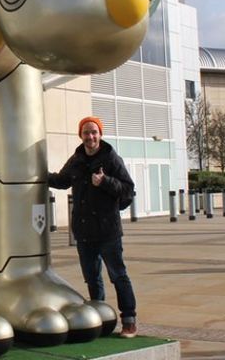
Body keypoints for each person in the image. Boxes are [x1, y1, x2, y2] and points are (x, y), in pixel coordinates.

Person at [48, 116, 138, 338]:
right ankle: (100, 318)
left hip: (108, 231)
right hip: (84, 230)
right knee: (92, 277)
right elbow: (61, 180)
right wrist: (36, 173)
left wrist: (105, 181)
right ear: (81, 135)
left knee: (118, 275)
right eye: (87, 132)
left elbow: (128, 189)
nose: (91, 137)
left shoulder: (110, 158)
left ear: (100, 134)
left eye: (94, 132)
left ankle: (129, 321)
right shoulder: (77, 159)